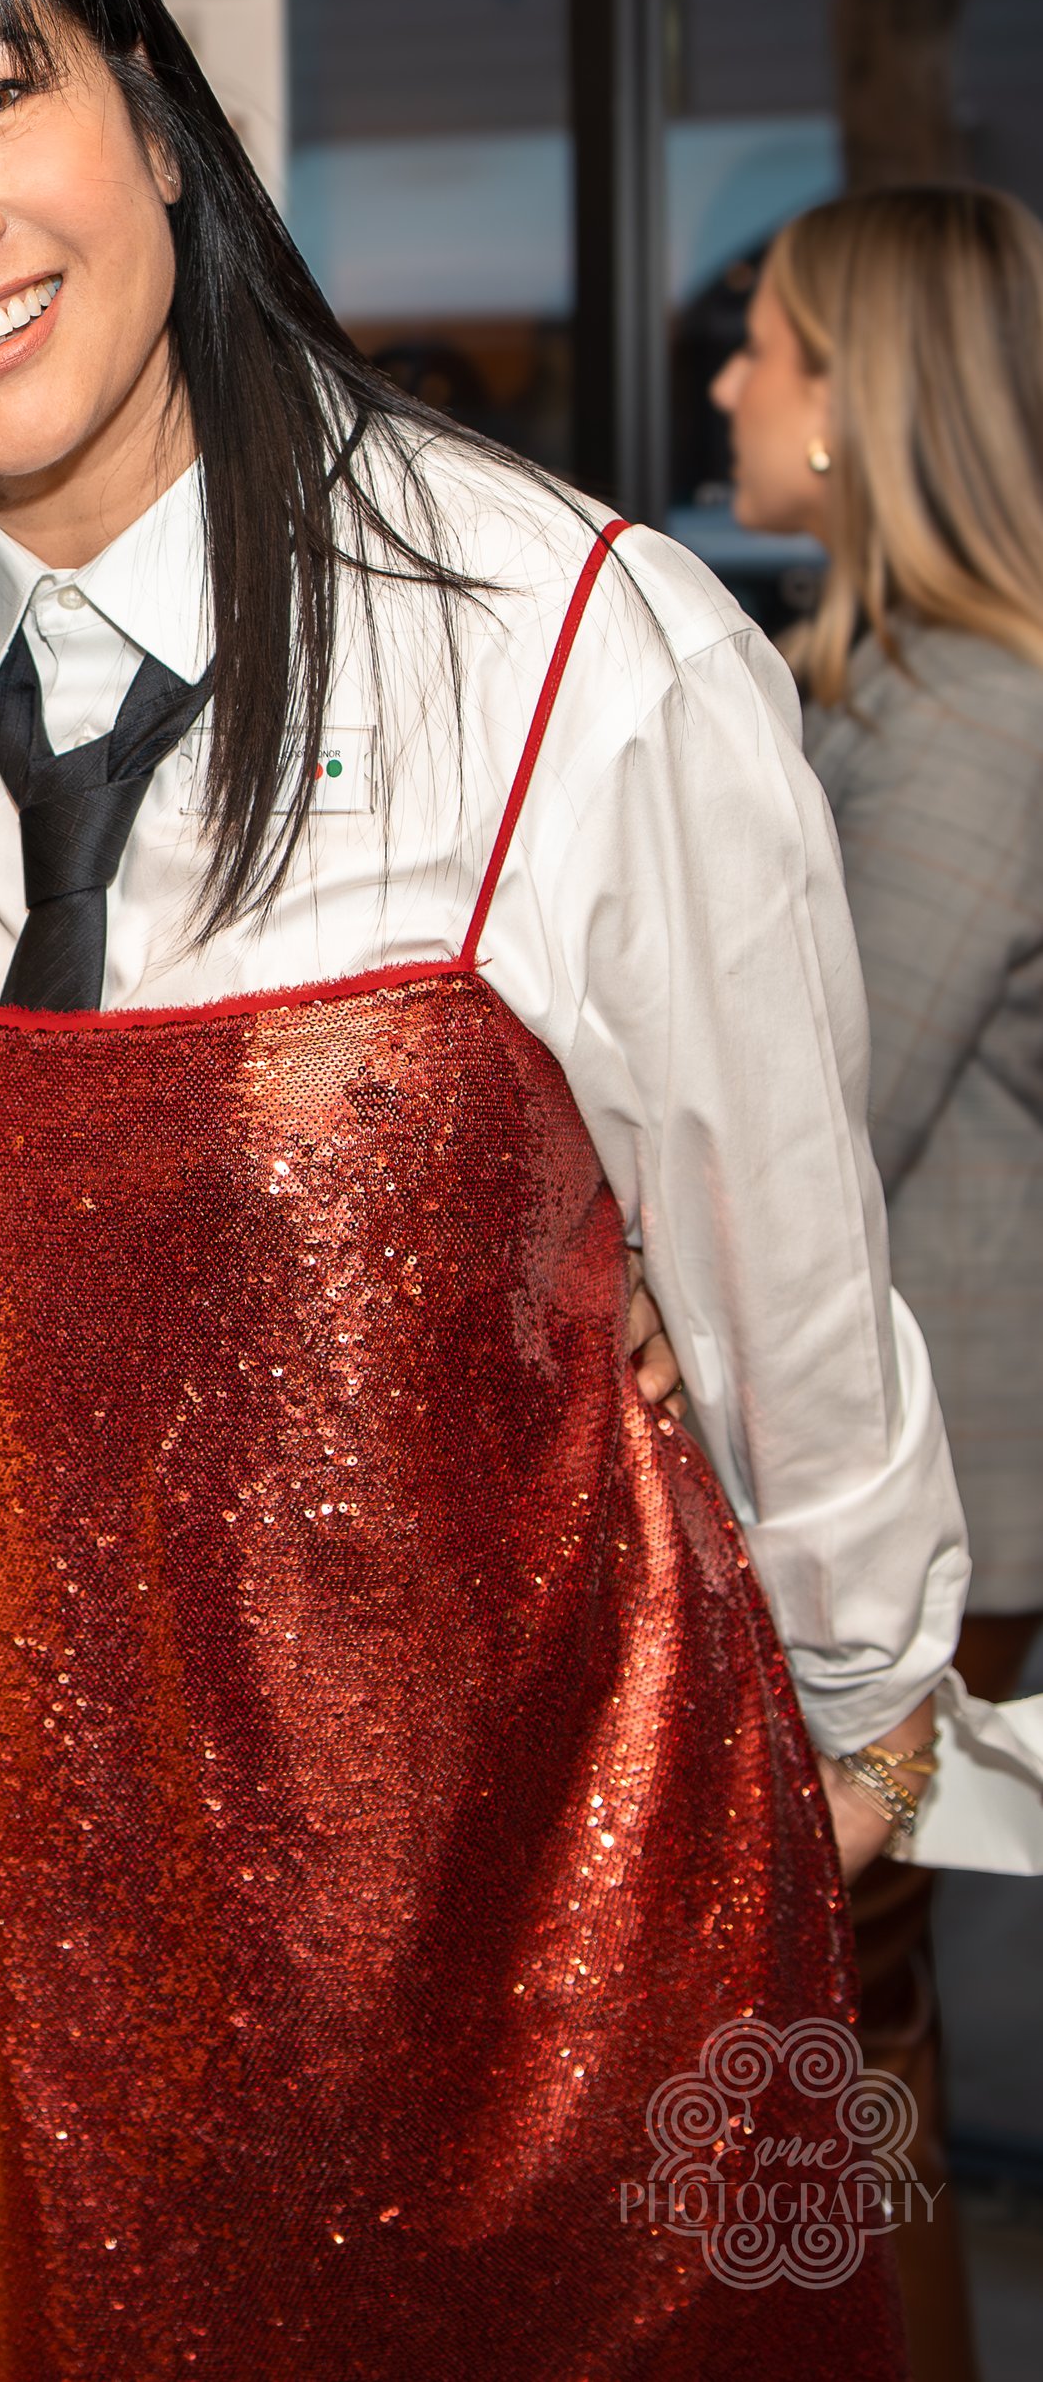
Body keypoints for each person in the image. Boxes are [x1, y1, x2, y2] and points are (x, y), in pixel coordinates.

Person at [0, 0, 979, 2379]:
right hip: (8, 2002)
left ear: (147, 104)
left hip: (541, 1972)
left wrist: (847, 1751)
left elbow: (789, 1301)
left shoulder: (565, 647)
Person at [717, 181, 1043, 2382]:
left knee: (854, 2001)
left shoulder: (965, 725)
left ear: (860, 409)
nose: (730, 381)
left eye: (768, 345)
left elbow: (823, 1116)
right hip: (918, 1457)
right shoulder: (891, 692)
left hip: (948, 1485)